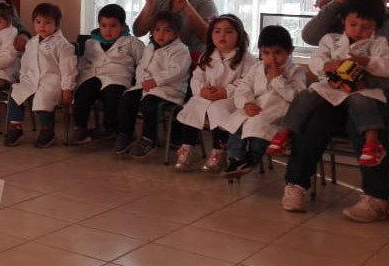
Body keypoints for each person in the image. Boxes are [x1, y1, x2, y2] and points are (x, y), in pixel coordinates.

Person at [281, 0, 389, 219]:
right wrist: (339, 1)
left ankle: (377, 197)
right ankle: (296, 184)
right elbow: (310, 36)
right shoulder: (347, 19)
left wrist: (368, 83)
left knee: (363, 120)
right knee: (314, 119)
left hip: (375, 97)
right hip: (337, 94)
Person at [273, 0, 389, 175]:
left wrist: (366, 61)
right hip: (332, 88)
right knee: (306, 96)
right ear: (343, 21)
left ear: (376, 27)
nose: (358, 31)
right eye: (353, 24)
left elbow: (386, 66)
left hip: (362, 89)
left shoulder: (379, 43)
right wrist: (328, 65)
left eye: (366, 27)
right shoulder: (330, 39)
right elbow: (316, 60)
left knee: (362, 103)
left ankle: (373, 144)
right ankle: (285, 132)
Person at [171, 15, 254, 173]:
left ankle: (219, 149)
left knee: (219, 110)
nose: (222, 35)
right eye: (217, 31)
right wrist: (202, 89)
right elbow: (197, 77)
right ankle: (187, 147)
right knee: (192, 106)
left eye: (228, 32)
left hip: (231, 100)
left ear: (239, 35)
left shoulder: (246, 59)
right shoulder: (207, 56)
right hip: (206, 97)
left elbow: (247, 82)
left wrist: (226, 91)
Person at [221, 25, 307, 178]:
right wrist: (246, 104)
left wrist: (277, 79)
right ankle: (236, 158)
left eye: (277, 53)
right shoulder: (256, 68)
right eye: (266, 53)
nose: (272, 59)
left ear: (290, 50)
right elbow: (243, 89)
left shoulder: (296, 72)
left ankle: (252, 159)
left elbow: (298, 99)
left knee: (260, 126)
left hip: (278, 113)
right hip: (255, 107)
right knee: (237, 123)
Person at [114, 11, 191, 159]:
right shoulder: (150, 47)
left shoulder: (180, 50)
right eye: (157, 29)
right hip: (146, 87)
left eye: (167, 30)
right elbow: (142, 66)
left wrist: (156, 81)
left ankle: (149, 139)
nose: (161, 34)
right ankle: (125, 133)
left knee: (150, 104)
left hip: (168, 90)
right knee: (128, 98)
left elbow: (177, 71)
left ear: (176, 32)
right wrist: (141, 83)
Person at [4, 3, 76, 148]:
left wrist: (67, 88)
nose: (42, 26)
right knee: (15, 94)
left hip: (51, 81)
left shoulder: (63, 45)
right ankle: (16, 127)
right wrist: (22, 77)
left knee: (43, 100)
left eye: (48, 22)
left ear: (56, 24)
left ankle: (47, 130)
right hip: (31, 79)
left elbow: (68, 68)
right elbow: (26, 62)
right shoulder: (31, 42)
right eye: (38, 22)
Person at [70, 3, 144, 144]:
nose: (108, 30)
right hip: (93, 75)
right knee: (82, 94)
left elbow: (143, 63)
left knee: (112, 96)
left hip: (117, 78)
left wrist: (138, 82)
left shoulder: (132, 43)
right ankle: (80, 128)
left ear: (122, 26)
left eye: (113, 26)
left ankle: (111, 128)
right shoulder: (91, 42)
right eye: (104, 25)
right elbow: (84, 62)